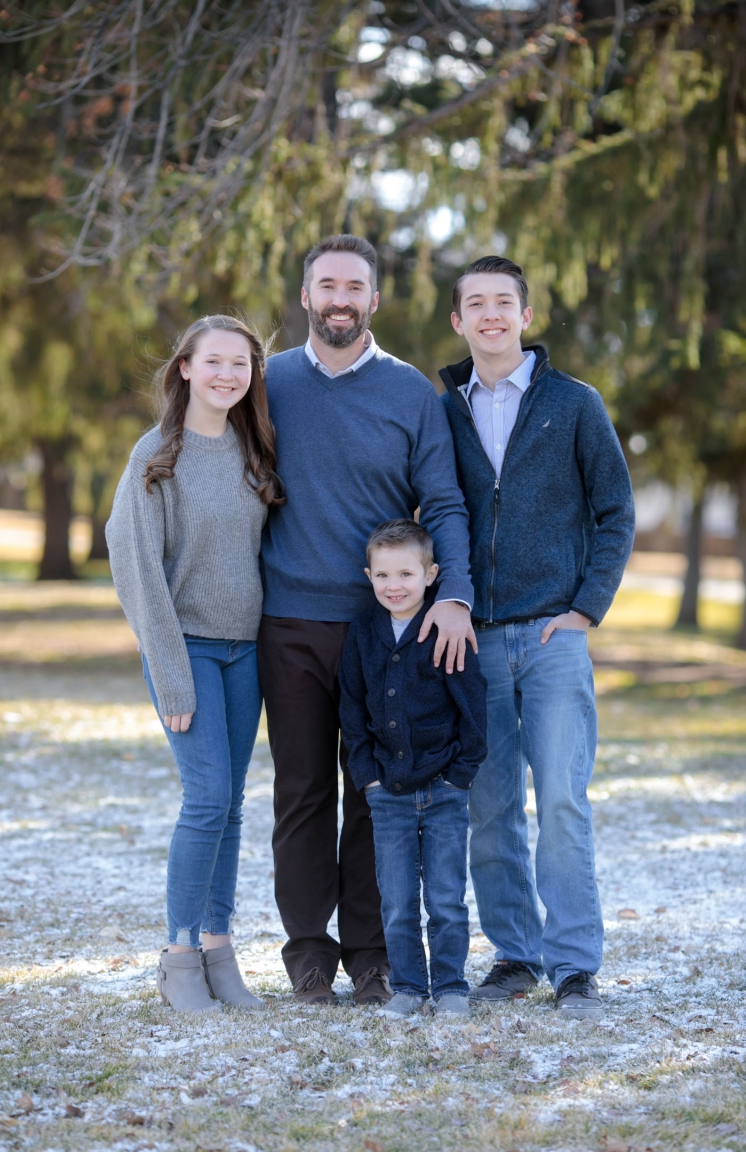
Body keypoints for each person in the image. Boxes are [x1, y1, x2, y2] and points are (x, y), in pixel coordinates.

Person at [258, 234, 476, 1005]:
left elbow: (443, 501)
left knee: (376, 792)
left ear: (374, 300)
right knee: (305, 789)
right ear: (307, 295)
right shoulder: (269, 380)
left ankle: (373, 953)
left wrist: (454, 596)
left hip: (384, 634)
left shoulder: (411, 392)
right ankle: (309, 955)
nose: (340, 299)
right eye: (326, 285)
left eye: (354, 286)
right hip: (288, 622)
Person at [439, 255, 635, 1017]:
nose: (491, 315)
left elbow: (615, 512)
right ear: (457, 321)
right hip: (476, 640)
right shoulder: (444, 410)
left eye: (504, 303)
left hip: (554, 637)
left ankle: (576, 964)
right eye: (476, 304)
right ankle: (516, 955)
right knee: (490, 807)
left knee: (561, 801)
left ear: (525, 315)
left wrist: (586, 607)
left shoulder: (574, 404)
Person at [106, 314, 284, 1013]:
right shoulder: (156, 455)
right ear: (185, 368)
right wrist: (172, 672)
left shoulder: (254, 448)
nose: (227, 375)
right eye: (213, 362)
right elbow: (138, 572)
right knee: (207, 797)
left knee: (232, 804)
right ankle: (178, 954)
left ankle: (218, 946)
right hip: (187, 651)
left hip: (247, 650)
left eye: (240, 364)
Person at [339, 520, 487, 1018]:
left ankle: (450, 987)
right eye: (383, 575)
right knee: (398, 900)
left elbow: (474, 707)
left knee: (446, 898)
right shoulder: (362, 633)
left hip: (445, 788)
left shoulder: (444, 629)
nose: (394, 585)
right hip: (389, 794)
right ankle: (406, 987)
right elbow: (352, 711)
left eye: (406, 572)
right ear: (369, 575)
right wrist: (369, 778)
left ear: (431, 574)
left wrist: (459, 774)